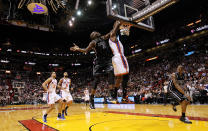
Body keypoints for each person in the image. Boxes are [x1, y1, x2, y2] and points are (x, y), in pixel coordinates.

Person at [70, 30, 114, 109]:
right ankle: (91, 99)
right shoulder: (93, 42)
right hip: (98, 62)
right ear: (93, 36)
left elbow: (111, 33)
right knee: (97, 80)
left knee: (111, 72)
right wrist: (78, 49)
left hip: (107, 60)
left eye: (95, 32)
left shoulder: (103, 38)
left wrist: (117, 24)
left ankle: (112, 94)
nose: (95, 32)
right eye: (93, 33)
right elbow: (86, 50)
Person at [108, 21, 130, 103]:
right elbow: (114, 30)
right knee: (126, 76)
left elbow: (126, 33)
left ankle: (114, 97)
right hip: (119, 57)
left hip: (117, 58)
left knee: (119, 77)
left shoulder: (115, 39)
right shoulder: (112, 36)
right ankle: (124, 97)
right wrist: (118, 23)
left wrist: (127, 27)